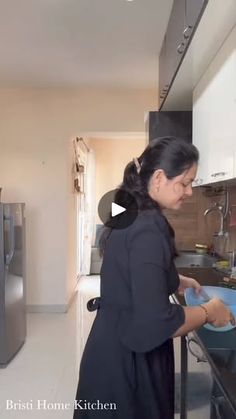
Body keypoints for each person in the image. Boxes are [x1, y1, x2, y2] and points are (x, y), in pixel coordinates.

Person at [73, 137, 232, 419]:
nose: (189, 192)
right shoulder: (148, 227)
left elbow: (131, 270)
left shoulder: (132, 213)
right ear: (159, 178)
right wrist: (209, 311)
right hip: (129, 365)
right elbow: (158, 322)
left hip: (111, 348)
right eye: (184, 182)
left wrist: (174, 278)